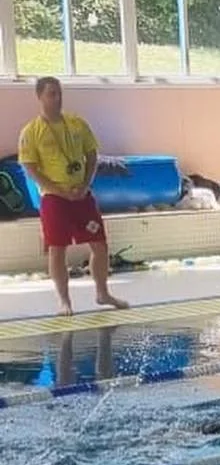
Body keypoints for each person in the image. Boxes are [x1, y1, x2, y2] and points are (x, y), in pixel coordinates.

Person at [17, 76, 128, 317]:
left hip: (82, 196)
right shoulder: (31, 132)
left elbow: (92, 156)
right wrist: (58, 190)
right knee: (57, 249)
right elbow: (31, 168)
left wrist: (85, 184)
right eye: (51, 94)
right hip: (54, 199)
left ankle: (102, 293)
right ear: (40, 97)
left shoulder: (77, 123)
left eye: (59, 93)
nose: (57, 99)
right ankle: (64, 301)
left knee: (99, 244)